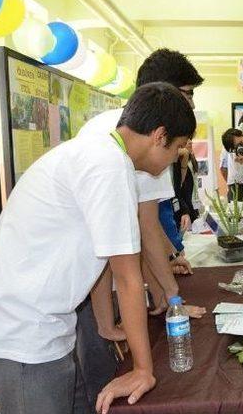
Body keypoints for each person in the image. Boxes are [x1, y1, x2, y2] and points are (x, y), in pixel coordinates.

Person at [0, 82, 196, 414]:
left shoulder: (97, 153)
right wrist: (142, 370)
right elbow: (129, 276)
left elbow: (99, 259)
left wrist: (106, 325)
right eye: (177, 145)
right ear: (159, 135)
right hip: (20, 341)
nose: (176, 157)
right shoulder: (109, 165)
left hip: (43, 333)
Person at [76, 48, 206, 411]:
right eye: (188, 93)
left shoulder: (118, 131)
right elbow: (142, 232)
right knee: (108, 384)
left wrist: (170, 265)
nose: (191, 105)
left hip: (97, 285)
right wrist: (172, 298)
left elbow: (141, 226)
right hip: (95, 291)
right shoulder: (125, 153)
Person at [173, 139, 202, 232]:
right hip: (185, 208)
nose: (190, 142)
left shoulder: (192, 159)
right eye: (187, 139)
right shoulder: (178, 163)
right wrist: (185, 210)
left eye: (191, 139)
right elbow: (179, 189)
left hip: (193, 205)